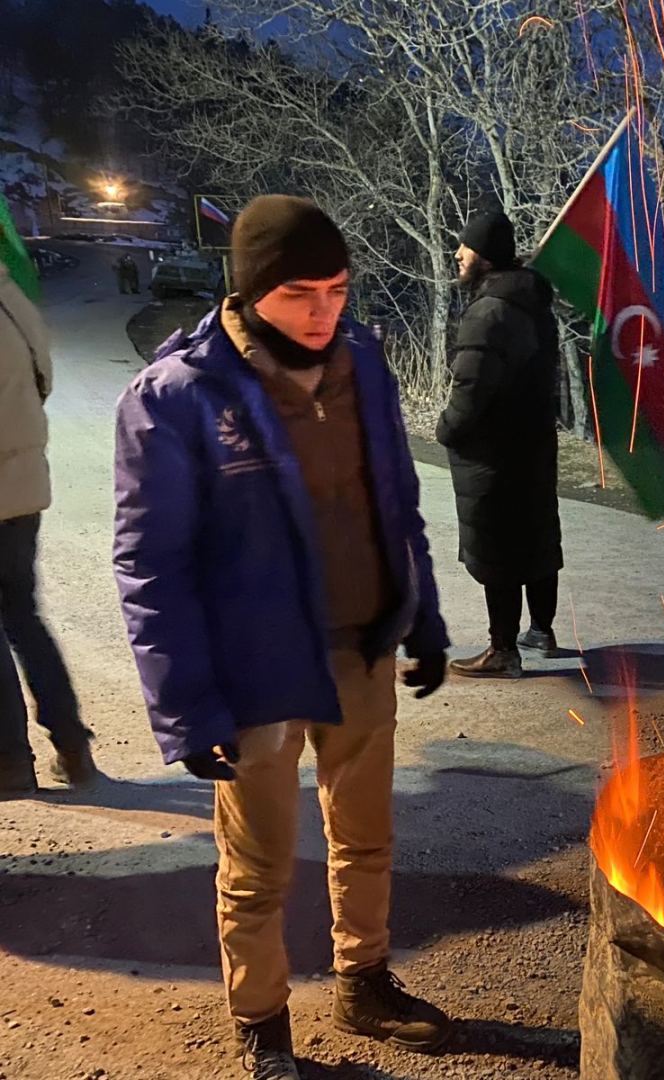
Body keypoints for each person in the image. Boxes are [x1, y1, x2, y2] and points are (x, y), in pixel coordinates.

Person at [113, 196, 452, 1079]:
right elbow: (152, 566)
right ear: (250, 291)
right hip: (255, 669)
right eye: (301, 293)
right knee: (258, 864)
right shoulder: (180, 396)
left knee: (366, 835)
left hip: (361, 650)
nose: (324, 311)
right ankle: (262, 1026)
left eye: (337, 290)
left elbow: (397, 503)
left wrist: (424, 616)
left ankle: (364, 981)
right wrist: (188, 710)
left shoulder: (364, 363)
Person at [439, 209, 563, 680]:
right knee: (534, 535)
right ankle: (541, 631)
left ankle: (502, 649)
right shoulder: (532, 304)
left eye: (465, 248)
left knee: (498, 547)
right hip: (532, 443)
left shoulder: (489, 311)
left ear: (485, 258)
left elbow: (470, 391)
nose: (457, 254)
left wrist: (447, 429)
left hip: (494, 451)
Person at [0, 261, 94, 797]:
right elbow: (43, 380)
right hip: (24, 482)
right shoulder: (12, 296)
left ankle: (10, 760)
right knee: (23, 614)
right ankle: (72, 747)